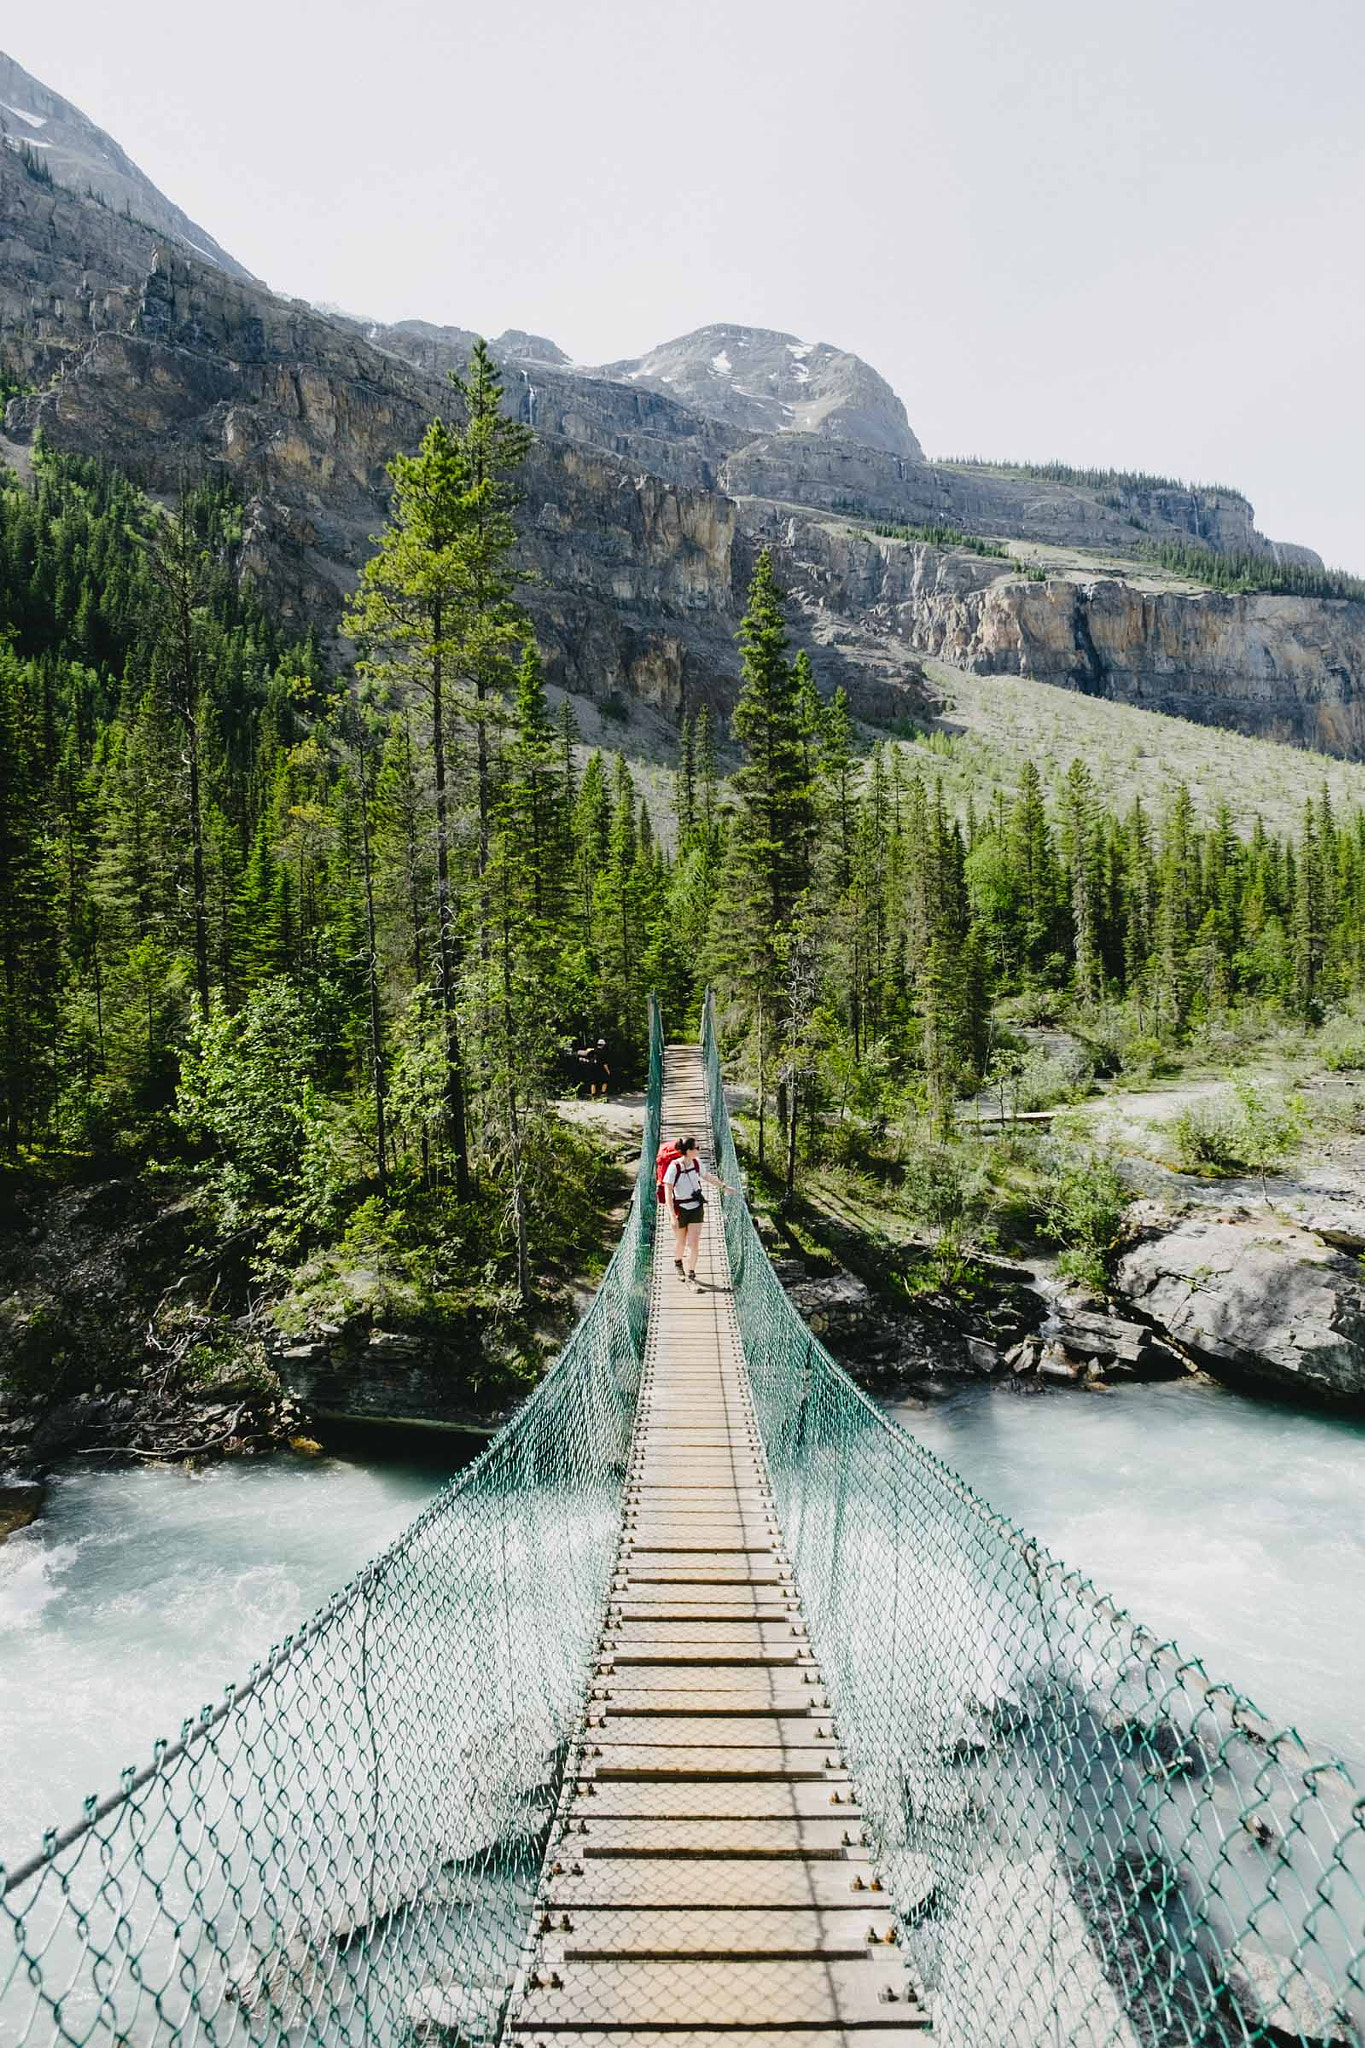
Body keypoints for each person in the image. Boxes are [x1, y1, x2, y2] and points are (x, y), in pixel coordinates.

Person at [663, 1137, 735, 1291]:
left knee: (693, 1244)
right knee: (681, 1242)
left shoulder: (696, 1163)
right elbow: (668, 1192)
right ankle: (678, 1263)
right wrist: (671, 1215)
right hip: (680, 1208)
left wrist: (724, 1186)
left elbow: (707, 1177)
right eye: (697, 1148)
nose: (699, 1150)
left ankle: (691, 1275)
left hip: (696, 1206)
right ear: (688, 1151)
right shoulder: (673, 1167)